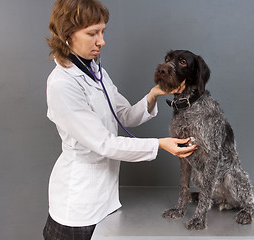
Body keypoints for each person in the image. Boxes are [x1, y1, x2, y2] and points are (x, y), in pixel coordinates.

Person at [43, 0, 196, 239]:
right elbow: (104, 143)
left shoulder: (96, 71)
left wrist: (154, 93)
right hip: (77, 207)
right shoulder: (62, 84)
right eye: (92, 33)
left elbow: (123, 115)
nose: (101, 41)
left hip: (105, 199)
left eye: (102, 32)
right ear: (67, 35)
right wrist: (159, 144)